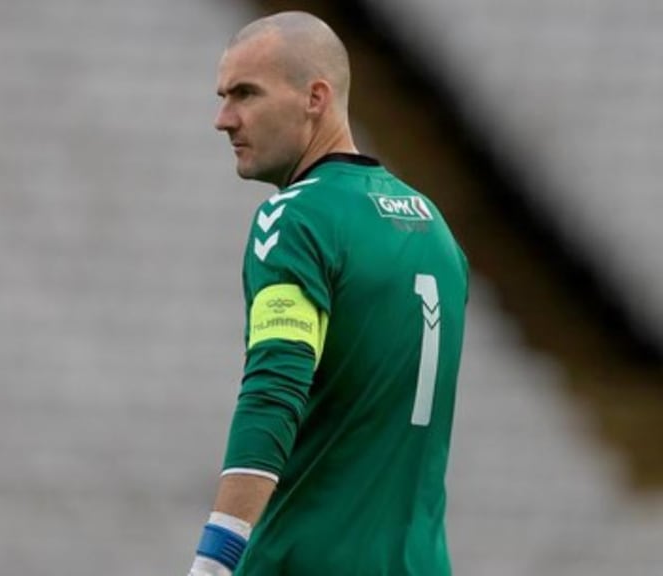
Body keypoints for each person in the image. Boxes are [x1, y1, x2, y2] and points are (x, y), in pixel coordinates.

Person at [187, 11, 469, 576]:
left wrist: (214, 562)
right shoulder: (435, 229)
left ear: (315, 97)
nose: (223, 119)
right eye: (223, 97)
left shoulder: (297, 218)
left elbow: (274, 389)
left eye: (245, 93)